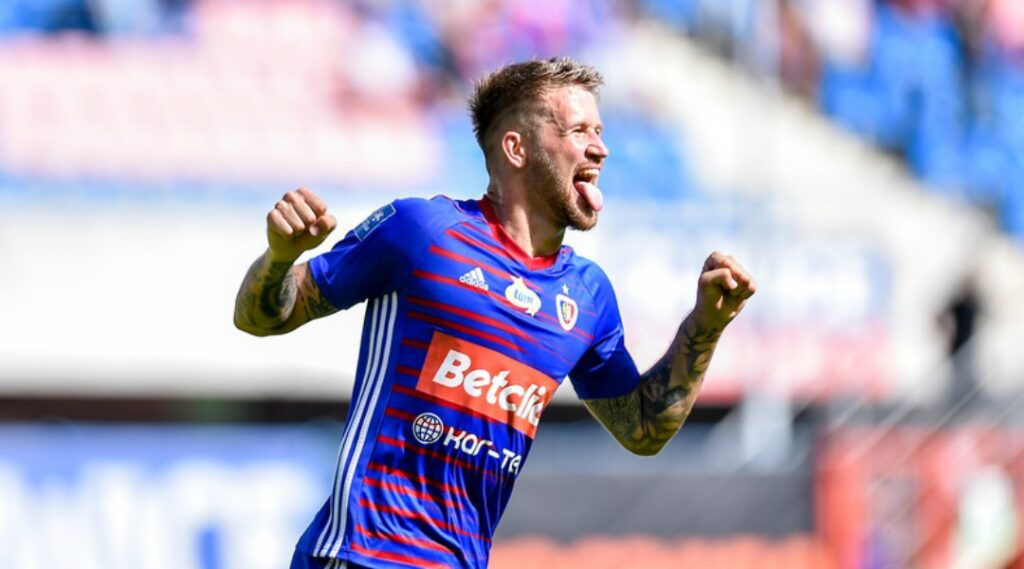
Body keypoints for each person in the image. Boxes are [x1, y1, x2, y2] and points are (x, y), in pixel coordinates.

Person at [234, 57, 756, 569]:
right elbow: (261, 317)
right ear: (516, 148)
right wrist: (279, 258)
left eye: (599, 131)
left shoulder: (587, 295)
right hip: (364, 555)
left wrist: (705, 326)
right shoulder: (423, 231)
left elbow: (643, 429)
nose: (601, 148)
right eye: (578, 131)